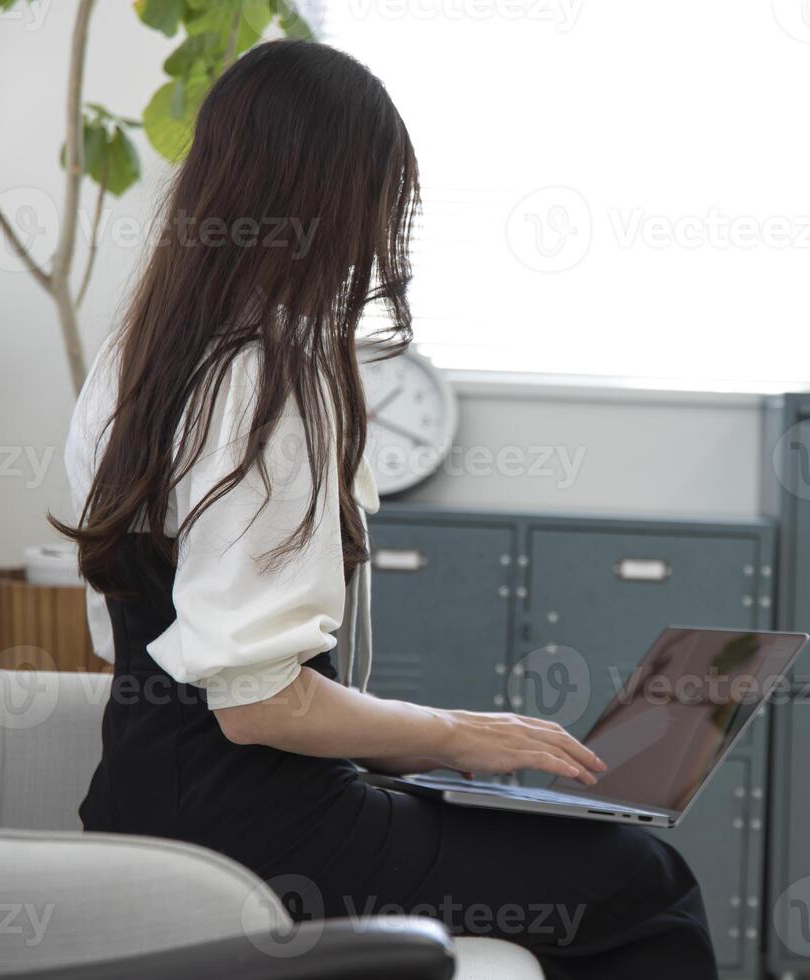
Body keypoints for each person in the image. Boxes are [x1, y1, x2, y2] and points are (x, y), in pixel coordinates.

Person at [54, 39, 717, 980]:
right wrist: (458, 736)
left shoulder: (141, 357)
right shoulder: (267, 375)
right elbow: (256, 707)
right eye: (379, 202)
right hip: (256, 839)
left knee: (558, 847)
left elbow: (132, 641)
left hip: (143, 801)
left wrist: (436, 752)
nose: (378, 238)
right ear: (327, 202)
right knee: (644, 884)